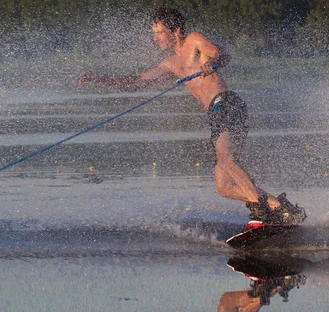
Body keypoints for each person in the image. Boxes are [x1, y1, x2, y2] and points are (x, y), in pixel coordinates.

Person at [78, 7, 305, 225]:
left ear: (175, 31)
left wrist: (211, 62)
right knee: (224, 186)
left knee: (227, 160)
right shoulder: (170, 63)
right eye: (154, 34)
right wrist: (99, 79)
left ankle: (263, 212)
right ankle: (282, 209)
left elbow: (222, 54)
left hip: (226, 104)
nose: (155, 38)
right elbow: (135, 83)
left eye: (158, 33)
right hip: (214, 114)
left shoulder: (194, 40)